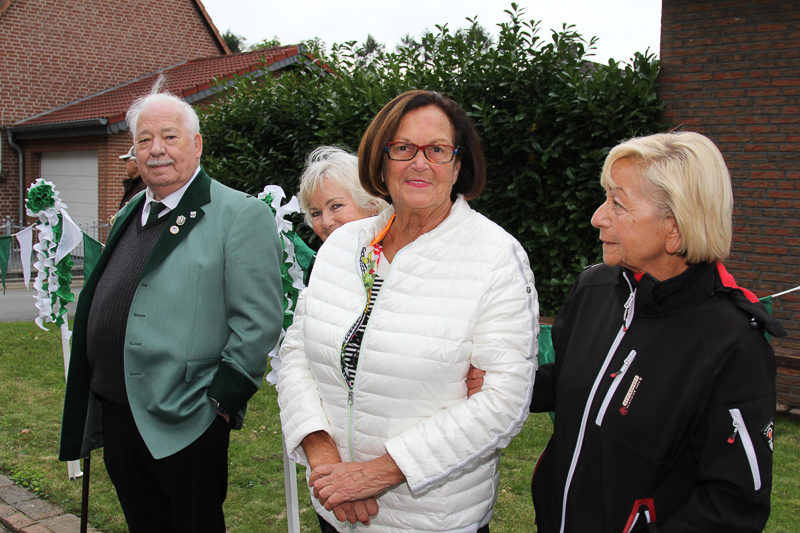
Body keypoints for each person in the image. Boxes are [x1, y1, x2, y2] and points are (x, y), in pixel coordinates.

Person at [277, 90, 539, 533]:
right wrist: (322, 456)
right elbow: (297, 354)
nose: (420, 163)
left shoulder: (495, 256)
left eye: (437, 149)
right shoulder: (342, 246)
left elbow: (503, 401)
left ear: (458, 165)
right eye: (402, 148)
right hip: (335, 505)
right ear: (380, 162)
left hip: (431, 520)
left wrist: (376, 474)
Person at [530, 131, 785, 533]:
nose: (598, 217)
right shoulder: (594, 288)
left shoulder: (732, 345)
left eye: (618, 203)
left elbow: (733, 507)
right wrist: (501, 381)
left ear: (675, 228)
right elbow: (570, 381)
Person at [59, 81, 284, 533]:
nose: (156, 149)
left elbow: (259, 321)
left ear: (196, 145)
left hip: (188, 416)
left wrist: (220, 404)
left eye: (169, 136)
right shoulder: (131, 212)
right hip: (118, 411)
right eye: (144, 140)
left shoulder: (239, 214)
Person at [297, 146, 388, 241]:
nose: (326, 222)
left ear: (372, 205)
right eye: (316, 213)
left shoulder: (396, 248)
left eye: (336, 206)